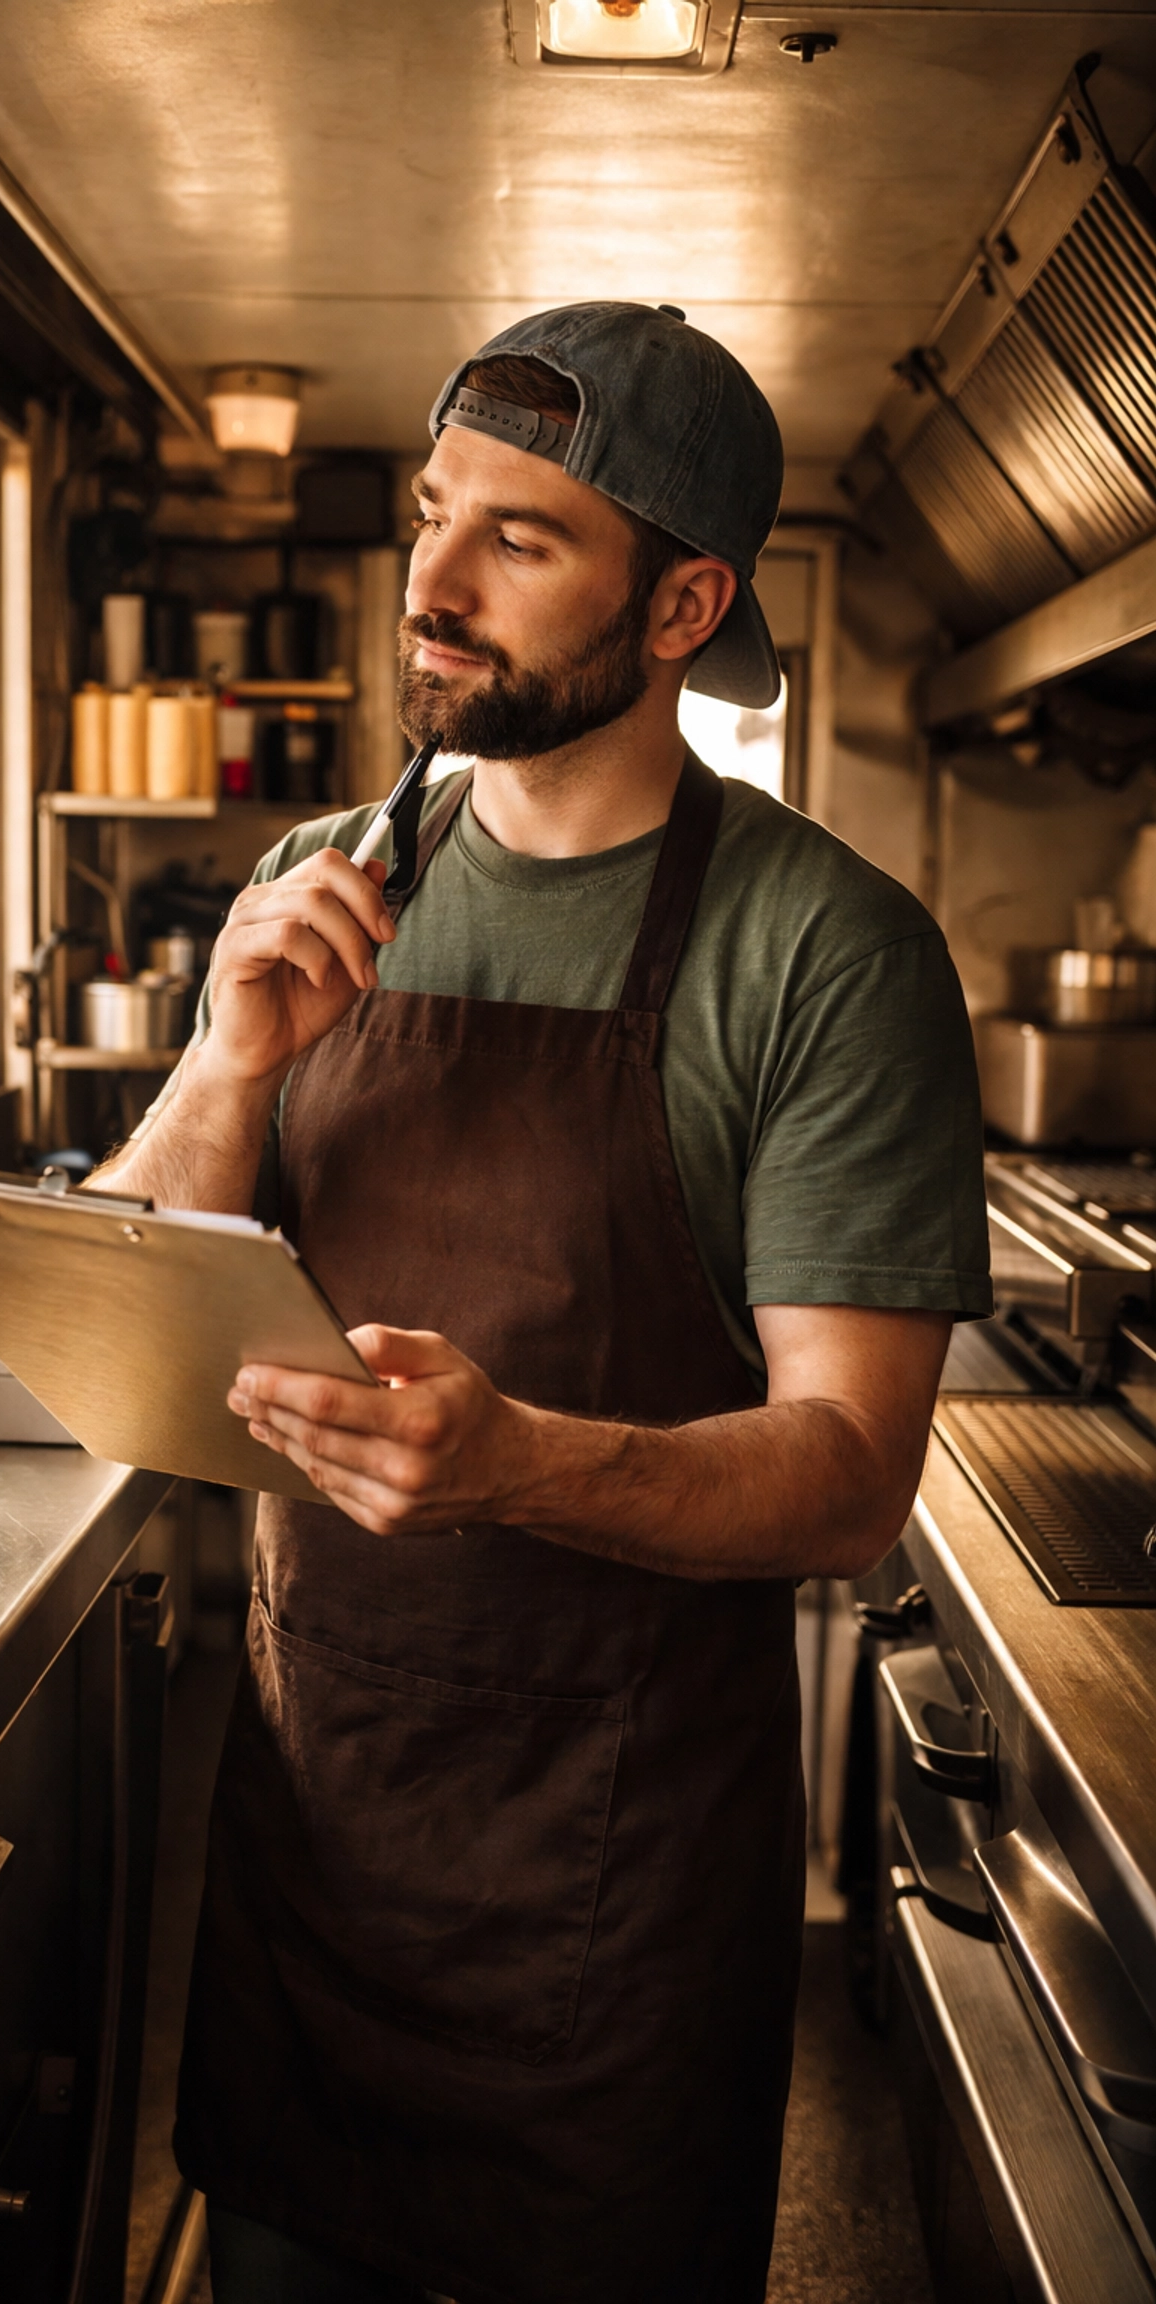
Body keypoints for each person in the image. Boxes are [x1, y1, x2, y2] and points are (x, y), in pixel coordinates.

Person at [92, 302, 991, 2304]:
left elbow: (848, 1479)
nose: (429, 583)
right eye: (431, 515)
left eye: (520, 538)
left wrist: (513, 1464)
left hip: (614, 1927)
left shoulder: (827, 956)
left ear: (683, 606)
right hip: (315, 1872)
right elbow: (135, 1355)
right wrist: (232, 1066)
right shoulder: (320, 881)